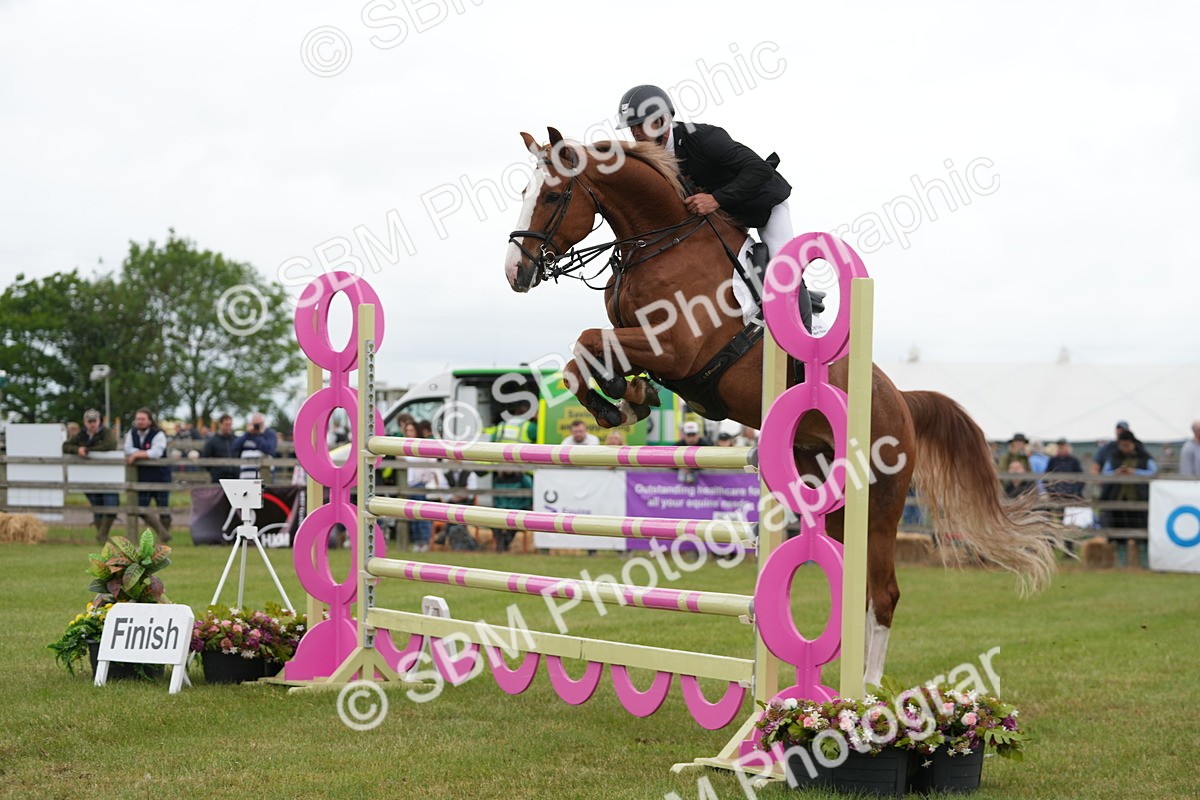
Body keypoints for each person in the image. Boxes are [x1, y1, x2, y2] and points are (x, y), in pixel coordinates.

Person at [616, 84, 793, 260]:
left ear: (661, 120)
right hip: (723, 217)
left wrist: (716, 199)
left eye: (640, 125)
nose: (635, 133)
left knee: (783, 265)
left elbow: (760, 170)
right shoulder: (648, 159)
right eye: (631, 127)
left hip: (762, 202)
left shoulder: (704, 137)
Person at [1100, 430, 1157, 564]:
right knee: (1119, 535)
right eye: (1122, 445)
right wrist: (1116, 473)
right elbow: (1104, 474)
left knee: (1143, 533)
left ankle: (1144, 564)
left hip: (1140, 500)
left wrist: (1135, 472)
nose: (1124, 448)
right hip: (1118, 500)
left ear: (1133, 444)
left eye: (1127, 445)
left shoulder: (1144, 457)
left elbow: (1153, 472)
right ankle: (1122, 564)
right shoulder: (1114, 457)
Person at [63, 409, 119, 543]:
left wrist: (87, 450)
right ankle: (102, 537)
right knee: (97, 506)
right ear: (85, 422)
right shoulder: (81, 435)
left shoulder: (106, 433)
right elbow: (66, 446)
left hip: (109, 477)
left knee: (112, 506)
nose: (92, 424)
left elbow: (109, 445)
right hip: (89, 476)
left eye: (94, 421)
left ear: (99, 421)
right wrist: (77, 449)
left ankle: (102, 534)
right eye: (90, 421)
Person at [489, 402, 536, 552]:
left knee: (497, 511)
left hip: (501, 475)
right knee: (522, 510)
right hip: (519, 475)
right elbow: (540, 446)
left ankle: (501, 545)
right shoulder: (530, 427)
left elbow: (491, 444)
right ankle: (505, 542)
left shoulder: (501, 426)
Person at [123, 407, 172, 543]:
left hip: (160, 476)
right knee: (140, 507)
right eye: (138, 419)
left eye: (143, 419)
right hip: (142, 477)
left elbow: (156, 453)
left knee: (163, 507)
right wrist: (143, 453)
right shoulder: (131, 433)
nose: (140, 422)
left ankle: (163, 542)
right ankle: (163, 533)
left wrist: (137, 454)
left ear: (150, 421)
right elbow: (127, 449)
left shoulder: (159, 434)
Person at [234, 412, 280, 481]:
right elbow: (234, 447)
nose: (257, 427)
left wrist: (256, 436)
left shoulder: (270, 434)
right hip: (246, 476)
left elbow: (269, 450)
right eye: (255, 424)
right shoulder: (246, 435)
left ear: (264, 423)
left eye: (259, 424)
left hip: (265, 477)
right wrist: (247, 433)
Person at [201, 413, 239, 482]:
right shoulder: (212, 440)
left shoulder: (236, 440)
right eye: (226, 425)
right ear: (220, 424)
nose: (228, 427)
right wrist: (214, 470)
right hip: (219, 478)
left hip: (235, 477)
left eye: (230, 425)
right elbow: (204, 458)